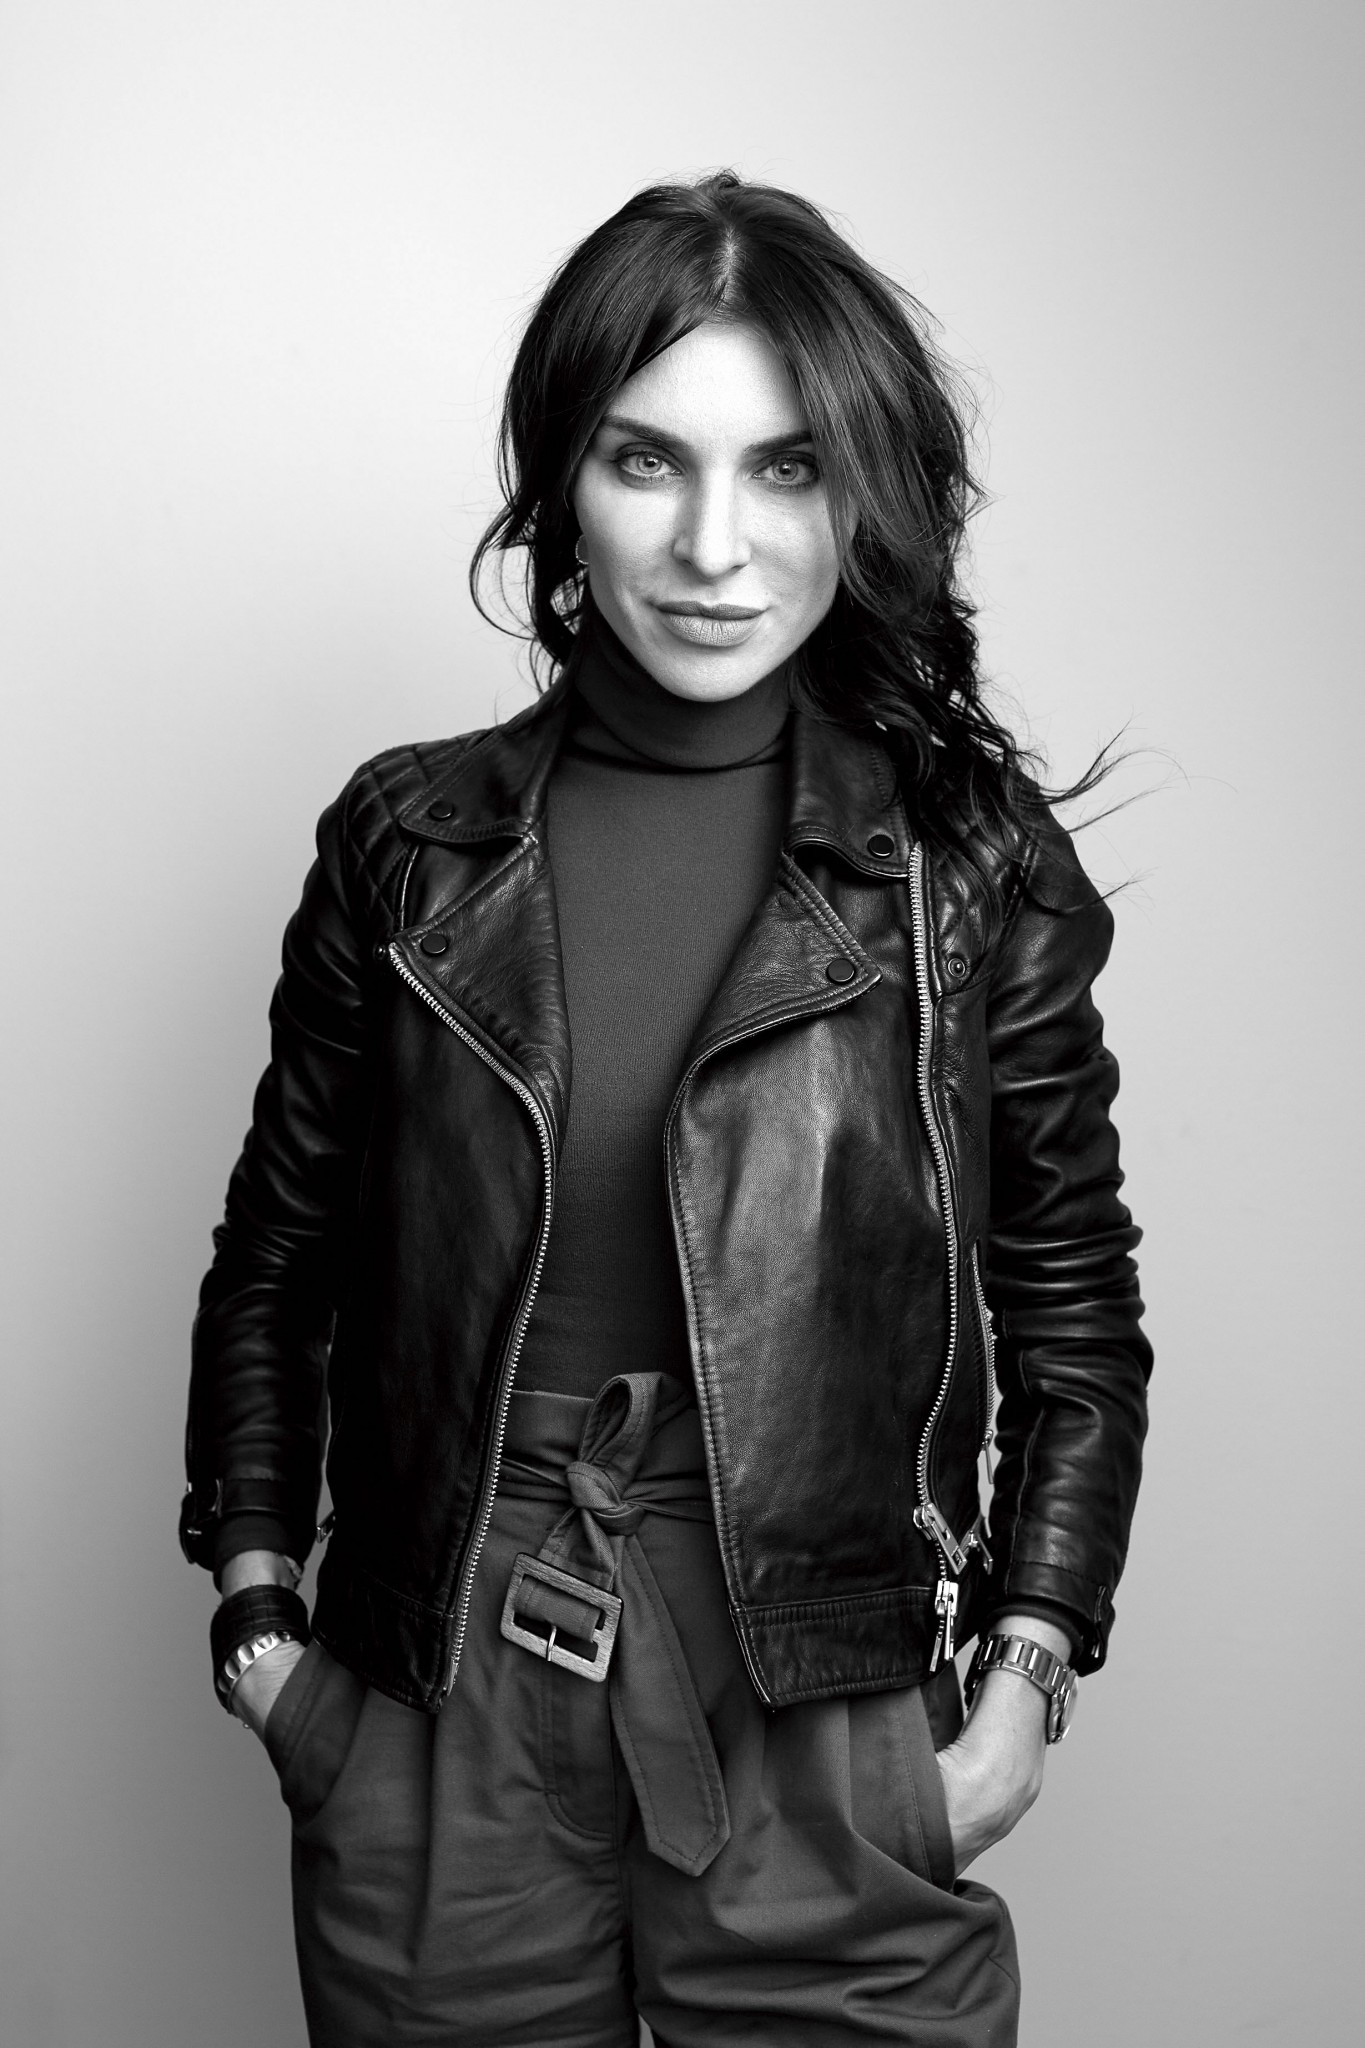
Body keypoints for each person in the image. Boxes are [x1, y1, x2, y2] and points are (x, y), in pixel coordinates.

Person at [181, 171, 1151, 2047]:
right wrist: (265, 1632)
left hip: (824, 1681)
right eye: (648, 461)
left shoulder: (962, 867)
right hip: (441, 1673)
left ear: (859, 493)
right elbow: (275, 1264)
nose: (715, 545)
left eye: (785, 469)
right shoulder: (405, 844)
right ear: (565, 484)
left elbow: (1072, 1311)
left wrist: (1024, 1674)